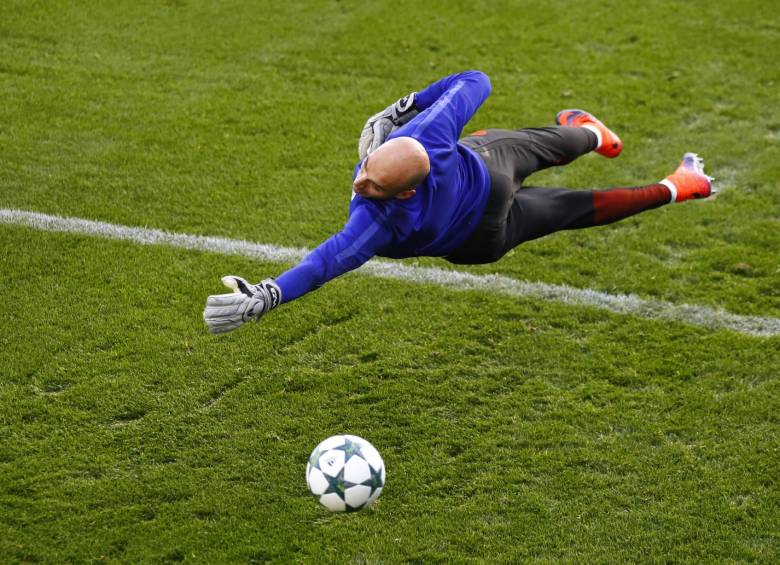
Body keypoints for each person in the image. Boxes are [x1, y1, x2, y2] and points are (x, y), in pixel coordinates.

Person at [203, 70, 714, 335]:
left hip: (480, 241)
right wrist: (407, 108)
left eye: (372, 183)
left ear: (404, 191)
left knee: (572, 210)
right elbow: (477, 80)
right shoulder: (430, 134)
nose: (361, 183)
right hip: (487, 170)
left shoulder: (376, 220)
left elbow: (322, 264)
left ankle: (680, 186)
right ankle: (595, 137)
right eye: (367, 172)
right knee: (551, 155)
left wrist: (268, 295)